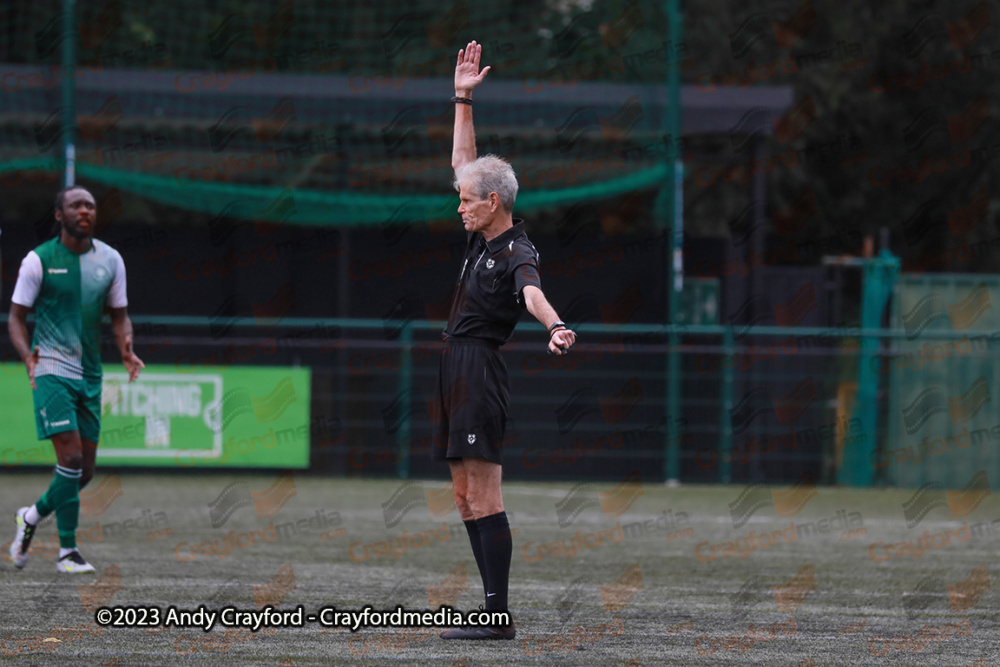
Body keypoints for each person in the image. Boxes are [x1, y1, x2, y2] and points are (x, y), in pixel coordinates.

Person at [434, 41, 576, 640]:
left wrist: (555, 325)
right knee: (463, 494)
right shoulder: (481, 237)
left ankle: (498, 616)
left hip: (479, 370)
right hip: (455, 365)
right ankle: (491, 609)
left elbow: (533, 294)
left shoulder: (515, 249)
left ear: (494, 203)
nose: (459, 203)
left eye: (468, 200)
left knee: (483, 490)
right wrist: (463, 97)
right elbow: (463, 164)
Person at [8, 185, 144, 573]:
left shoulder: (111, 260)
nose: (85, 211)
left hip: (90, 373)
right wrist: (26, 357)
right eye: (76, 205)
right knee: (69, 458)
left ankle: (30, 517)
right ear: (59, 214)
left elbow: (119, 315)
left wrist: (126, 348)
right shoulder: (39, 260)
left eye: (90, 206)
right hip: (49, 368)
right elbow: (16, 318)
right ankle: (67, 553)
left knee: (83, 472)